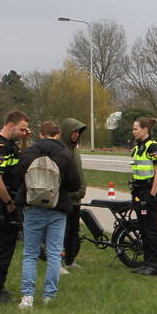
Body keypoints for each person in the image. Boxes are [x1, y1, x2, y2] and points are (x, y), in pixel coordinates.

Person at [13, 121, 82, 308]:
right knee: (54, 254)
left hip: (33, 208)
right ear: (58, 134)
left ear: (41, 135)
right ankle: (49, 296)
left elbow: (16, 178)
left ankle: (27, 297)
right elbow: (75, 184)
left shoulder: (28, 153)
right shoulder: (66, 155)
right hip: (57, 209)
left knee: (30, 254)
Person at [0, 110, 31, 303]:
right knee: (3, 248)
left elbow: (19, 164)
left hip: (9, 201)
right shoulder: (0, 147)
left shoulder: (10, 144)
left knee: (8, 246)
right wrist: (10, 204)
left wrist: (24, 140)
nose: (24, 132)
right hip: (4, 203)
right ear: (10, 125)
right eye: (22, 129)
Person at [130, 117, 157, 276]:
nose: (133, 131)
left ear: (145, 129)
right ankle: (146, 262)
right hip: (138, 191)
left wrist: (151, 195)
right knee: (142, 228)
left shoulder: (153, 147)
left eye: (136, 129)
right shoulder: (138, 147)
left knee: (150, 229)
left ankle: (153, 264)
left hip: (149, 192)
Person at [60, 117, 88, 272]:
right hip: (66, 198)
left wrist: (82, 188)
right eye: (74, 132)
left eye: (78, 132)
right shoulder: (61, 150)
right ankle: (59, 261)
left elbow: (79, 171)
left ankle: (71, 259)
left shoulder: (75, 149)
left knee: (73, 231)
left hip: (77, 199)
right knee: (62, 231)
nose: (76, 135)